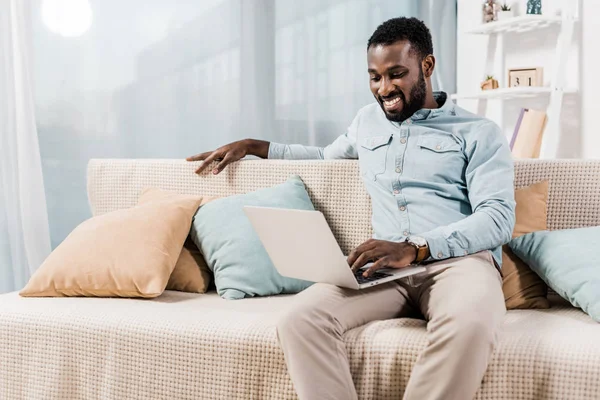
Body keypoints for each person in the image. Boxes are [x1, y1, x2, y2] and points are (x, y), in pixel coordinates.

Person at [187, 17, 515, 400]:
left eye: (396, 74)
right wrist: (254, 145)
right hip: (383, 268)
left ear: (427, 66)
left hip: (459, 264)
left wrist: (415, 247)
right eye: (374, 77)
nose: (384, 88)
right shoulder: (367, 122)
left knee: (471, 325)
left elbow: (497, 218)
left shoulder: (477, 132)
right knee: (300, 319)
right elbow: (326, 157)